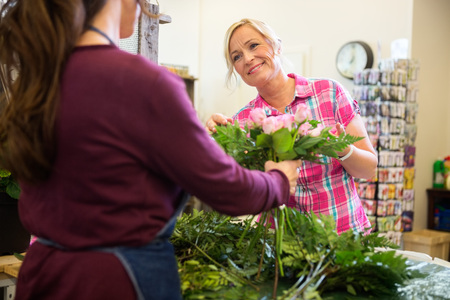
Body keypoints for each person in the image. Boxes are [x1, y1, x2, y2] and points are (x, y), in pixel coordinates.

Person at [0, 3, 302, 300]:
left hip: (42, 272)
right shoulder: (145, 82)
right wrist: (278, 180)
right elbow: (225, 188)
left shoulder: (39, 81)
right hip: (116, 279)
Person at [206, 18, 378, 235]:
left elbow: (369, 169)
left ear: (276, 45)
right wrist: (216, 141)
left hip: (344, 240)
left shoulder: (329, 93)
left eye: (253, 45)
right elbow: (238, 196)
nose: (247, 58)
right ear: (236, 70)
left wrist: (344, 150)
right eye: (237, 57)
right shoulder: (243, 121)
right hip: (280, 248)